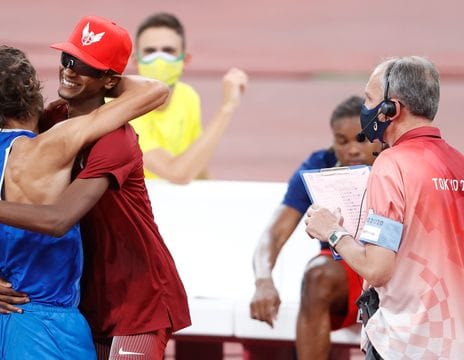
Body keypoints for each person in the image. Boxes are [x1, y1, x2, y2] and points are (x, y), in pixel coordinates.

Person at [0, 15, 191, 360]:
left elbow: (58, 219)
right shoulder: (50, 124)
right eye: (68, 59)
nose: (70, 71)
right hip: (83, 293)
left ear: (110, 79)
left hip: (135, 298)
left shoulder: (114, 140)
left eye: (87, 66)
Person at [305, 56, 464, 359]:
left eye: (369, 99)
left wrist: (334, 233)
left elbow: (377, 268)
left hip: (407, 342)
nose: (365, 108)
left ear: (391, 109)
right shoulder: (458, 163)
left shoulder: (392, 164)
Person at [249, 95, 381, 359]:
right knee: (317, 275)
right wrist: (263, 280)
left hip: (388, 264)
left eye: (361, 139)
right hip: (345, 269)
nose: (352, 150)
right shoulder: (317, 166)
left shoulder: (395, 164)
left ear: (378, 138)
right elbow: (274, 234)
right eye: (341, 141)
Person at [130, 12, 248, 184]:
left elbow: (196, 163)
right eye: (150, 51)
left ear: (185, 61)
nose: (159, 59)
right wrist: (226, 108)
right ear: (136, 61)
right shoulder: (124, 110)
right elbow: (176, 173)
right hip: (130, 206)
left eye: (168, 51)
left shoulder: (188, 97)